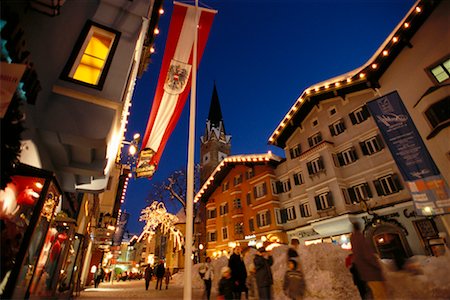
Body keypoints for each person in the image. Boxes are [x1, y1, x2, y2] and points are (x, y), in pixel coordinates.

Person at [350, 222, 387, 300]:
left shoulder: (353, 238)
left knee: (376, 294)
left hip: (364, 273)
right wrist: (378, 266)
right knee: (380, 295)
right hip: (371, 272)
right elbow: (367, 255)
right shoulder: (359, 237)